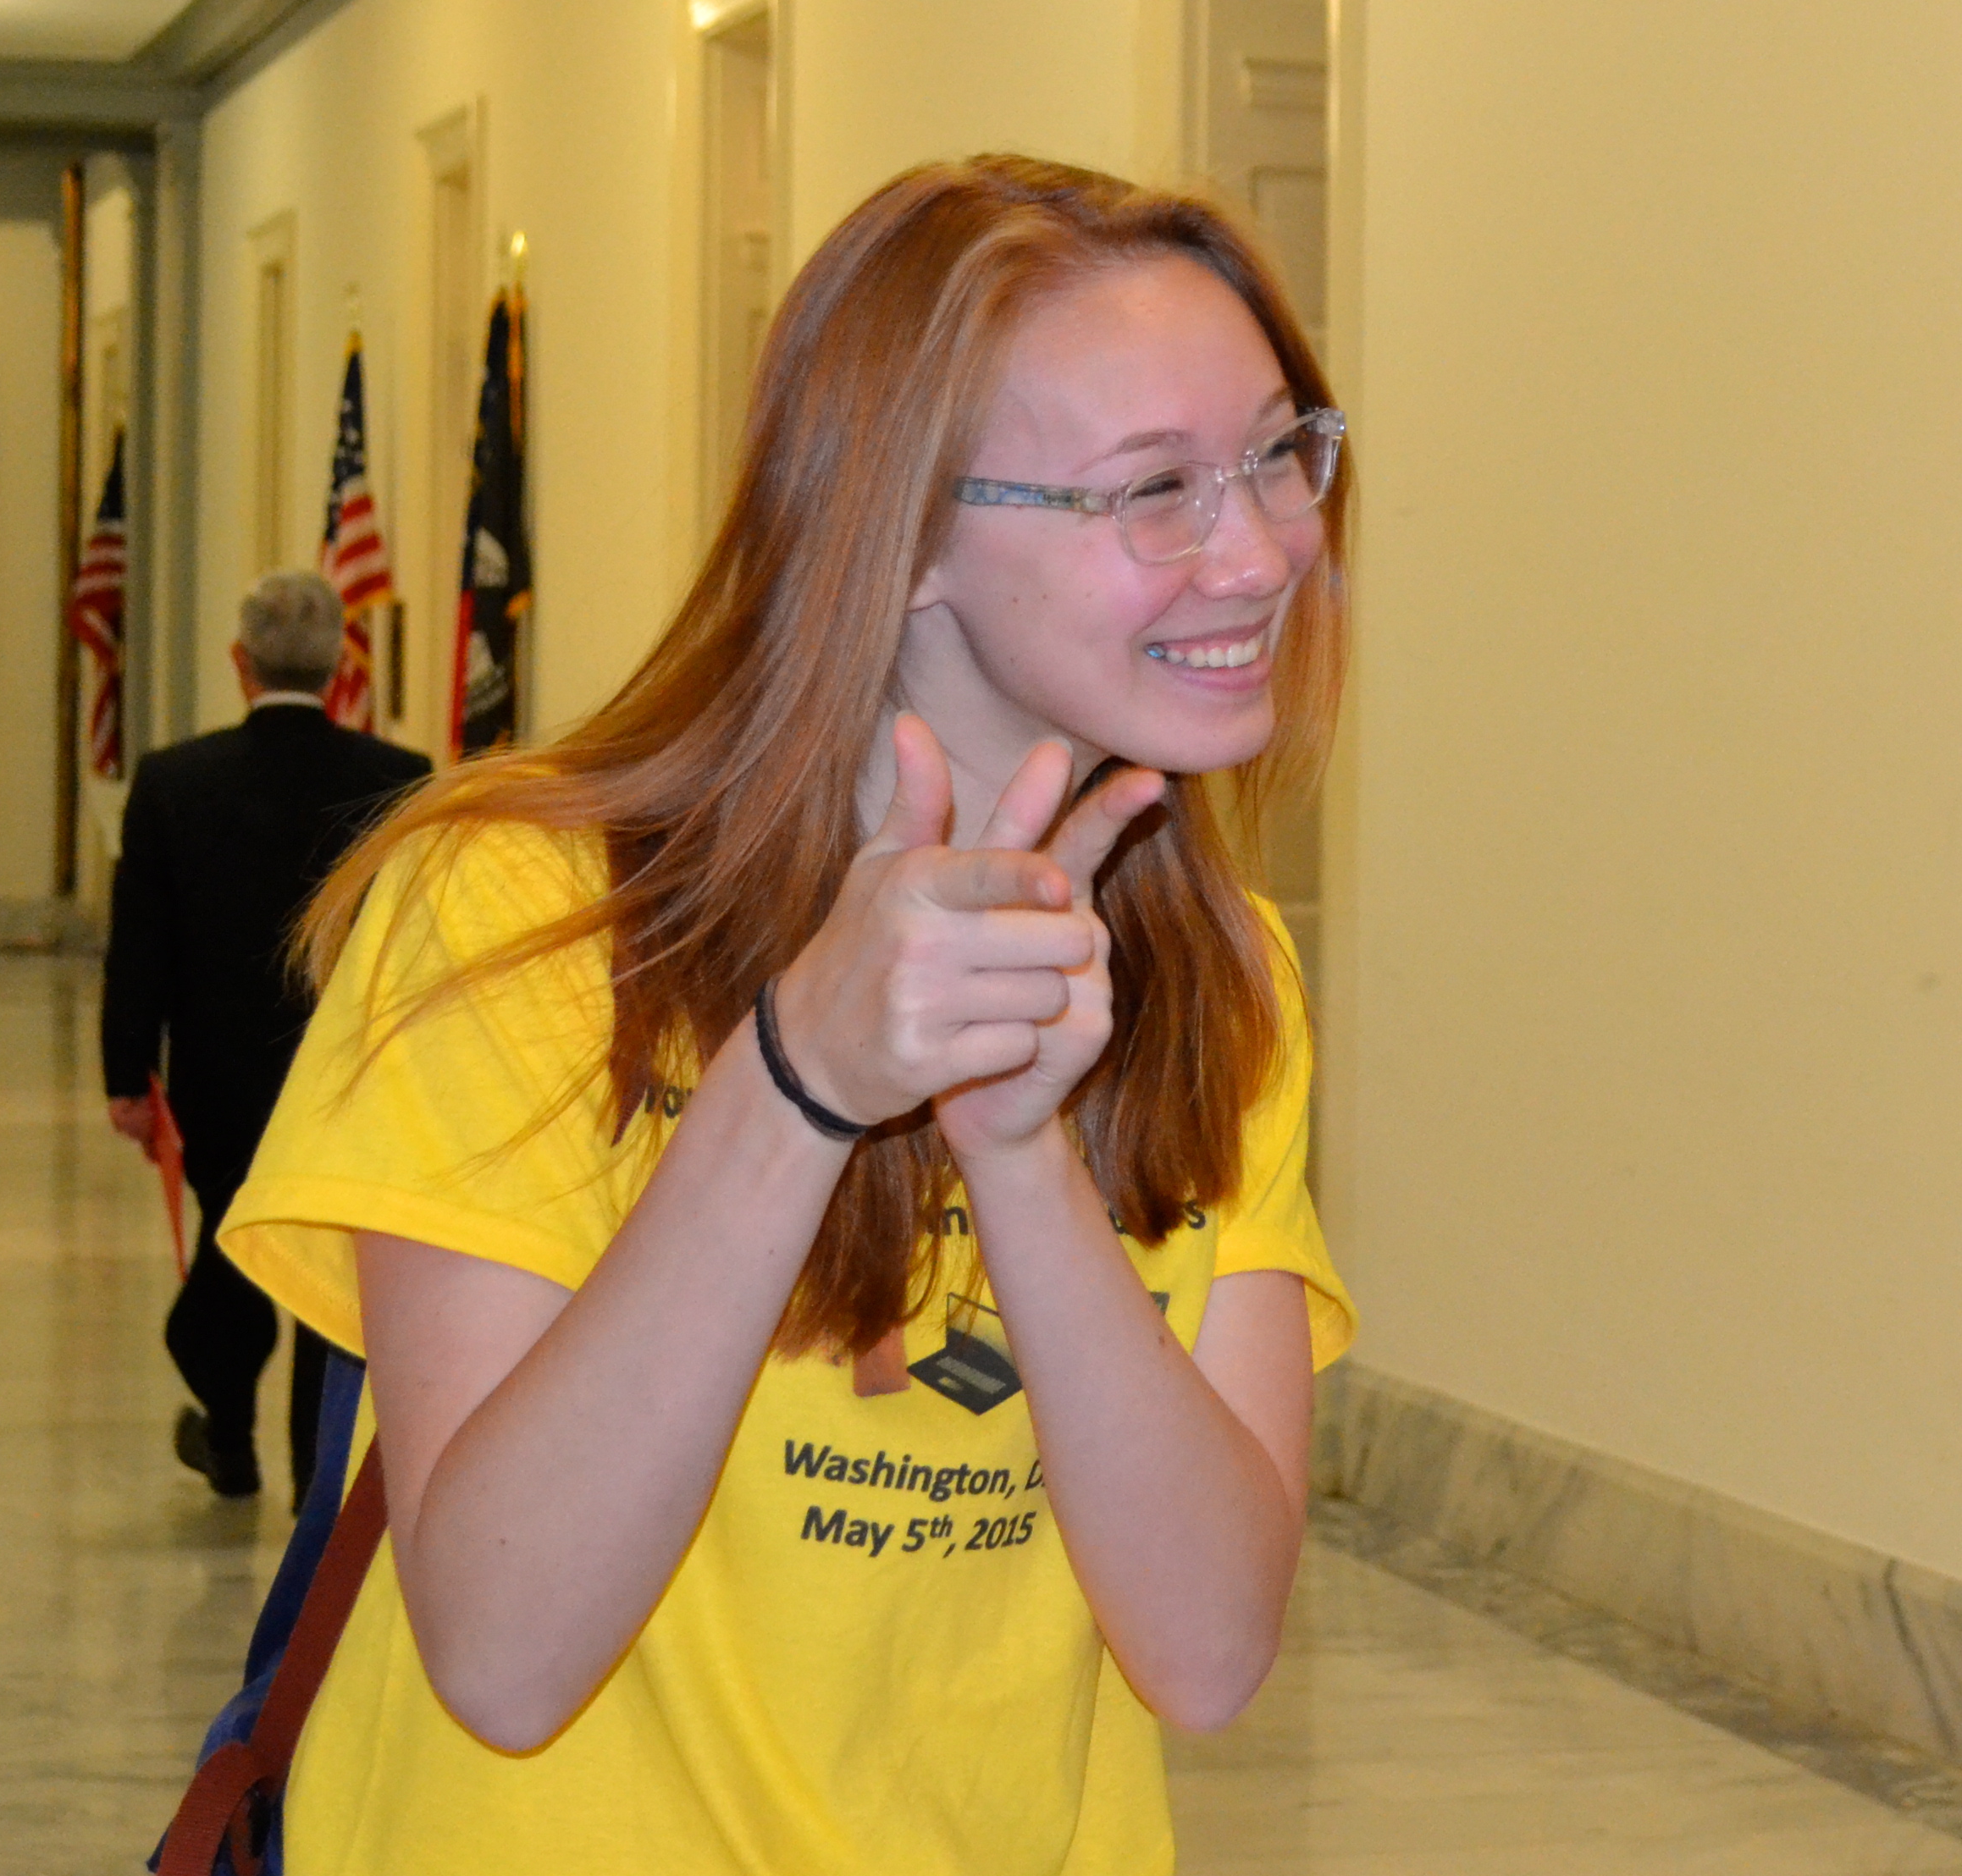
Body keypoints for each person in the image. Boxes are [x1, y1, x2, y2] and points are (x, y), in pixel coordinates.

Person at [218, 157, 1352, 1872]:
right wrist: (799, 1082)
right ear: (904, 536)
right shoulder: (523, 912)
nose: (1262, 548)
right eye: (1155, 489)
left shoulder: (1222, 970)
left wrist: (1023, 1159)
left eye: (1276, 453)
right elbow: (503, 1653)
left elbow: (1205, 1654)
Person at [102, 567, 431, 1501]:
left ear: (239, 662)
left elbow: (141, 944)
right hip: (346, 1079)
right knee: (326, 1268)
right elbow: (414, 945)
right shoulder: (398, 781)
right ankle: (313, 1475)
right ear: (338, 665)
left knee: (233, 1240)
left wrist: (128, 1075)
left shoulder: (174, 782)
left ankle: (229, 1435)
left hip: (217, 1078)